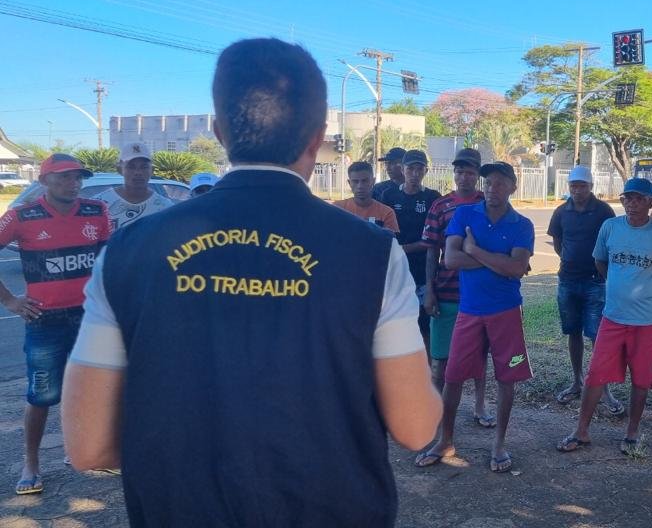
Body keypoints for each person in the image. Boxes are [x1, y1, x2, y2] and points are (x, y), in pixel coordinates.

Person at [61, 38, 441, 527]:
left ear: (219, 131)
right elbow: (415, 428)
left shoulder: (128, 250)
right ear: (317, 137)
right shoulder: (372, 252)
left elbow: (89, 446)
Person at [0, 154, 110, 495]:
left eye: (77, 177)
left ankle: (81, 449)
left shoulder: (96, 211)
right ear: (44, 181)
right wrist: (10, 301)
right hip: (44, 320)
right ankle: (31, 463)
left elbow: (106, 261)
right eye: (63, 177)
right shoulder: (21, 215)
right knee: (42, 394)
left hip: (90, 317)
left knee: (91, 387)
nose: (72, 183)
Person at [416, 161, 533, 473]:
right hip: (469, 311)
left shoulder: (522, 225)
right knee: (453, 376)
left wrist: (475, 250)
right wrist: (498, 261)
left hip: (507, 312)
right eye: (488, 183)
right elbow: (451, 259)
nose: (492, 189)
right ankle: (445, 440)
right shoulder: (466, 214)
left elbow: (517, 268)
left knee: (506, 378)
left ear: (513, 187)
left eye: (500, 183)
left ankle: (499, 444)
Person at [556, 177, 652, 455]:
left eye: (639, 199)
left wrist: (649, 289)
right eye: (627, 198)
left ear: (651, 202)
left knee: (641, 379)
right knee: (596, 375)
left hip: (647, 321)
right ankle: (581, 431)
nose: (632, 204)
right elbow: (600, 261)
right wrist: (618, 283)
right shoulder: (610, 227)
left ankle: (632, 432)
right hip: (613, 317)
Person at [421, 147, 491, 426]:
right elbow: (431, 251)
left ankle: (480, 406)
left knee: (480, 356)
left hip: (479, 294)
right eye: (460, 171)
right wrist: (429, 289)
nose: (464, 177)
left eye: (470, 172)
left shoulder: (488, 203)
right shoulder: (440, 206)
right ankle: (434, 408)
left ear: (478, 175)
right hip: (446, 292)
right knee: (440, 358)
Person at [548, 165, 621, 414]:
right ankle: (577, 381)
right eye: (573, 186)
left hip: (594, 282)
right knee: (573, 332)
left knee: (597, 336)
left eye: (582, 186)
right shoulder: (561, 211)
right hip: (567, 280)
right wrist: (569, 259)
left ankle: (604, 388)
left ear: (591, 187)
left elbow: (612, 241)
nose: (577, 191)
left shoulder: (603, 211)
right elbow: (557, 242)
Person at [380, 149, 441, 347]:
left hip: (423, 271)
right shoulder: (388, 196)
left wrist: (404, 248)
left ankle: (428, 365)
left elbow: (433, 240)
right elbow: (383, 233)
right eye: (410, 169)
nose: (415, 174)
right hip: (396, 271)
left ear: (426, 171)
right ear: (403, 169)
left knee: (425, 326)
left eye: (419, 169)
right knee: (397, 324)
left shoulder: (433, 198)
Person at [94, 143, 174, 229]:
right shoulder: (98, 206)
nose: (138, 172)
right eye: (131, 167)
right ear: (120, 170)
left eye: (144, 167)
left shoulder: (165, 208)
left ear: (152, 170)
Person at [334, 161, 400, 234]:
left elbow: (391, 240)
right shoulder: (338, 208)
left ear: (373, 181)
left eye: (365, 181)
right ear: (349, 183)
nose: (360, 186)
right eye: (355, 181)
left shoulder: (386, 213)